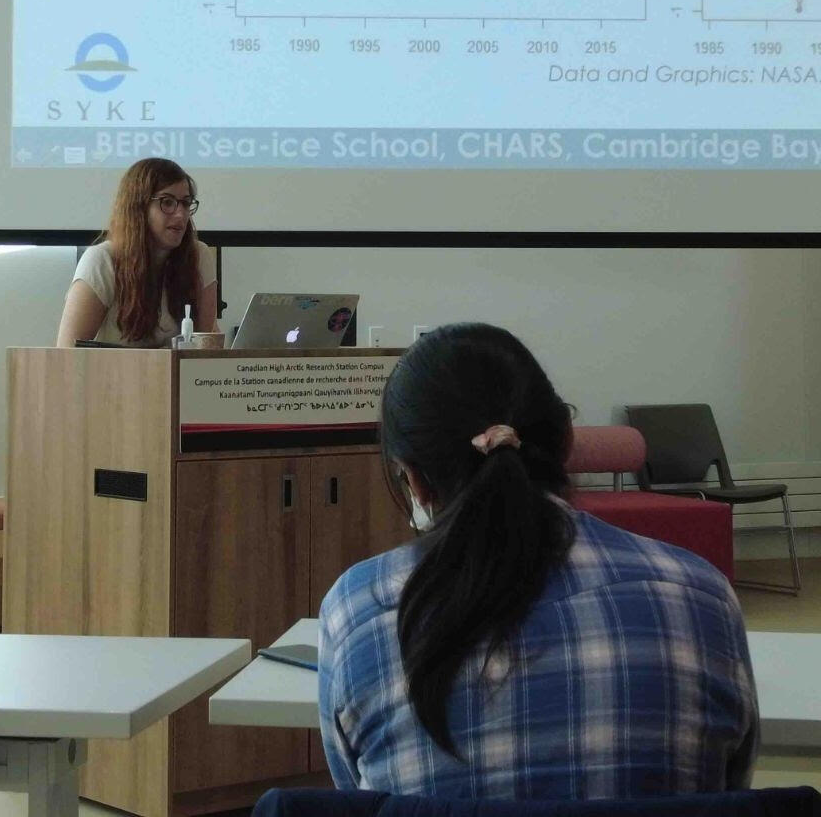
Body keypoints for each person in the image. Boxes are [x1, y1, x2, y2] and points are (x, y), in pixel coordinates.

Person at [318, 323, 758, 801]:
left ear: (416, 481)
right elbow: (729, 786)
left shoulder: (357, 608)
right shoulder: (702, 595)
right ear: (567, 442)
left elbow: (358, 794)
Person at [56, 157, 217, 348]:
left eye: (185, 203)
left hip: (181, 377)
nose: (181, 214)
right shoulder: (101, 261)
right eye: (167, 202)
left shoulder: (199, 256)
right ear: (138, 207)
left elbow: (206, 350)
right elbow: (65, 356)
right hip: (112, 377)